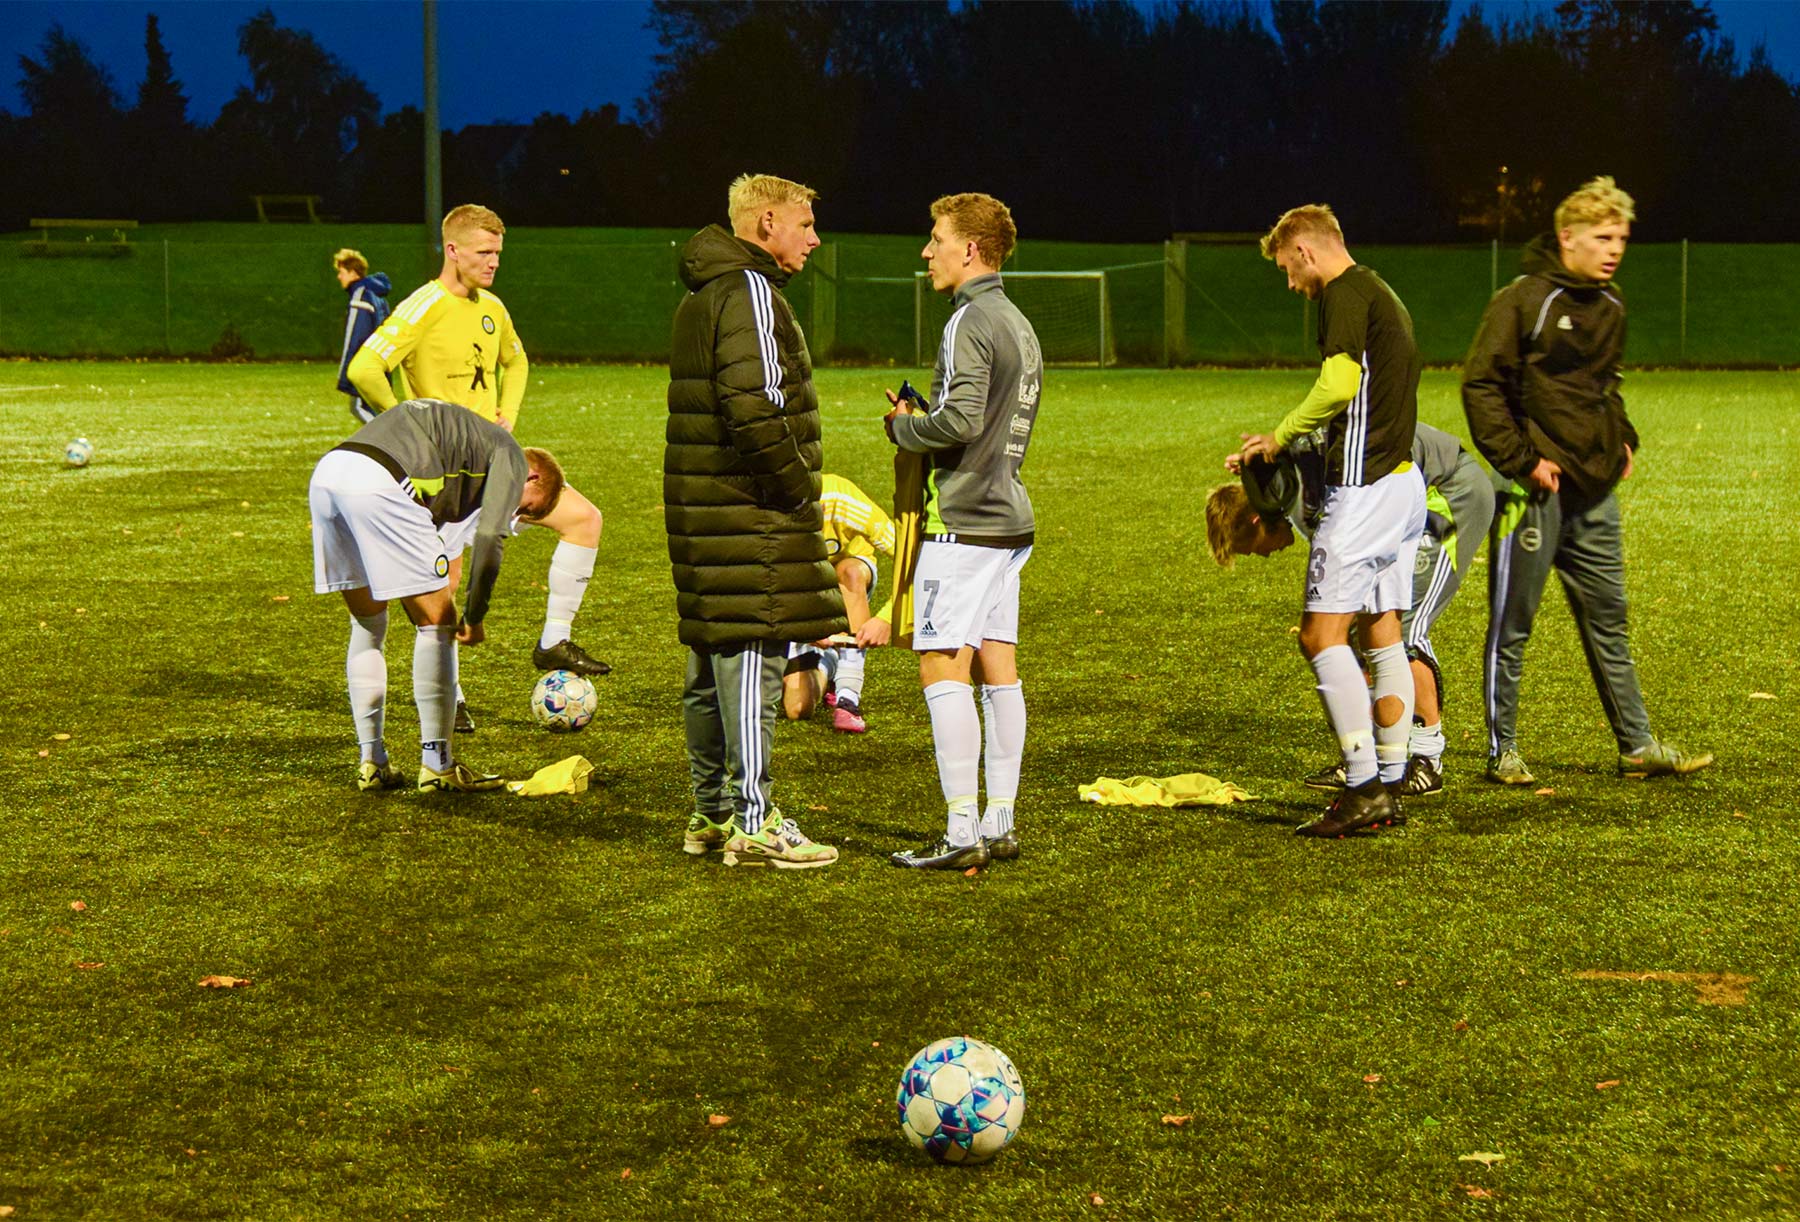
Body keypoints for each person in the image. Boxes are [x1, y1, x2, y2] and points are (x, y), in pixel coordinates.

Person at [1462, 176, 1712, 784]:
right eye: (1603, 237)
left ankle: (1637, 745)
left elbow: (1607, 385)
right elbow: (1481, 386)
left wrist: (1623, 437)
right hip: (1534, 493)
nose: (1614, 249)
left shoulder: (1613, 305)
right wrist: (1523, 461)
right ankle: (1504, 751)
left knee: (1610, 618)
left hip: (1594, 496)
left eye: (1622, 238)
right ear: (1567, 237)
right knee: (1513, 624)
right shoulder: (1523, 300)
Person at [346, 204, 610, 741]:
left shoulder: (491, 306)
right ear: (453, 250)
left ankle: (554, 640)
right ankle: (454, 698)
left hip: (497, 462)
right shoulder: (425, 305)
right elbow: (363, 368)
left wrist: (507, 412)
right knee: (446, 586)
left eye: (497, 253)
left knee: (584, 520)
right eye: (484, 253)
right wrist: (410, 427)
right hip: (448, 478)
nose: (493, 263)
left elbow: (517, 361)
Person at [666, 173, 847, 869]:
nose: (813, 237)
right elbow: (757, 407)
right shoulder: (748, 291)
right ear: (767, 223)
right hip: (746, 511)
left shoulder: (704, 294)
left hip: (706, 507)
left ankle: (709, 812)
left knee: (711, 662)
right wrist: (801, 489)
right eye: (804, 224)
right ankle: (752, 819)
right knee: (748, 652)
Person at [1240, 204, 1427, 838]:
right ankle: (1393, 777)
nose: (1292, 285)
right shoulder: (1383, 290)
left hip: (1367, 489)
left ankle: (1362, 787)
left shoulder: (1343, 293)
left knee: (1320, 637)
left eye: (1288, 270)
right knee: (1382, 632)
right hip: (1404, 484)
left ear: (1306, 252)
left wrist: (1281, 436)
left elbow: (1340, 382)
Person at [1207, 421, 1497, 798]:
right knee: (1367, 630)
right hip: (1409, 494)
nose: (1263, 556)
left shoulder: (1303, 495)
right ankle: (1369, 761)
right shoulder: (1295, 488)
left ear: (1256, 520)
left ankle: (1427, 758)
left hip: (1449, 491)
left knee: (1403, 626)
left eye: (1251, 549)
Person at [883, 193, 1042, 871]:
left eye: (936, 238)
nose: (927, 251)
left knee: (941, 665)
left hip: (965, 522)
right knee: (998, 668)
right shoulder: (1019, 321)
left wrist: (904, 427)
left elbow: (962, 422)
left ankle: (960, 833)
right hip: (1009, 518)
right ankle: (999, 821)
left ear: (970, 249)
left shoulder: (967, 319)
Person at [308, 398, 565, 792]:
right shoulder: (510, 455)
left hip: (330, 473)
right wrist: (475, 617)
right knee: (439, 627)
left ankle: (372, 762)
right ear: (531, 477)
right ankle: (438, 766)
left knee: (368, 623)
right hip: (381, 481)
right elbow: (489, 539)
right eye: (524, 508)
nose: (516, 516)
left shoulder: (467, 448)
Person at [780, 472, 898, 734]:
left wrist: (887, 618)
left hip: (848, 580)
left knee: (849, 571)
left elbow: (908, 559)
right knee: (797, 708)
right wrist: (802, 625)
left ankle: (848, 698)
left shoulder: (842, 498)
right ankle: (831, 663)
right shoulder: (770, 511)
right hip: (800, 595)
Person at [333, 248, 391, 425]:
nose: (339, 277)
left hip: (364, 365)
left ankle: (390, 443)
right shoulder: (377, 296)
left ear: (352, 273)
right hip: (379, 363)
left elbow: (354, 337)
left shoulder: (360, 297)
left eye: (341, 272)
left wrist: (345, 375)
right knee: (376, 409)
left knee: (358, 407)